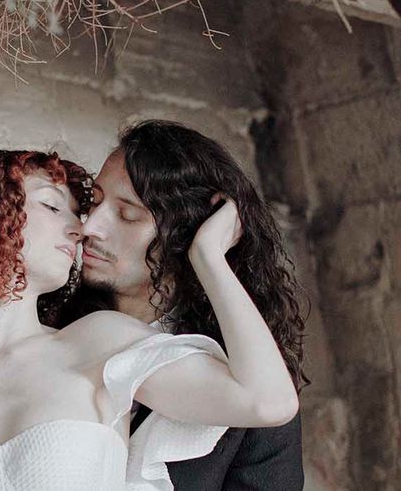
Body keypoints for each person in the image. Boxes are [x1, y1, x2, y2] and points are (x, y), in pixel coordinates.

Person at [0, 146, 299, 491]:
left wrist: (209, 256)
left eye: (76, 212)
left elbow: (269, 403)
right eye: (51, 206)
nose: (81, 227)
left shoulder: (100, 340)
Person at [51, 120, 308, 490]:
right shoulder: (53, 330)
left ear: (184, 232)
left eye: (128, 215)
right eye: (95, 202)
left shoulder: (255, 377)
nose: (90, 227)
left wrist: (208, 257)